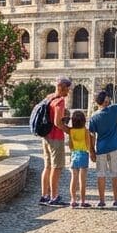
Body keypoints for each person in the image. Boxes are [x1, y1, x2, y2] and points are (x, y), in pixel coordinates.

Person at [38, 75, 71, 206]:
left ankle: (44, 196)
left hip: (46, 136)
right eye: (67, 88)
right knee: (56, 168)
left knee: (47, 166)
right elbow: (57, 122)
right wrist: (69, 131)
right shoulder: (59, 101)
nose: (68, 91)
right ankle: (54, 197)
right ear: (62, 88)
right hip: (55, 138)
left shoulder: (49, 98)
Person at [67, 109, 91, 208]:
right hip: (83, 155)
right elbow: (88, 145)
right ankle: (82, 200)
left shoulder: (71, 131)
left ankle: (73, 200)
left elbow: (70, 145)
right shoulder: (85, 131)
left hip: (74, 155)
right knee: (82, 180)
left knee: (73, 179)